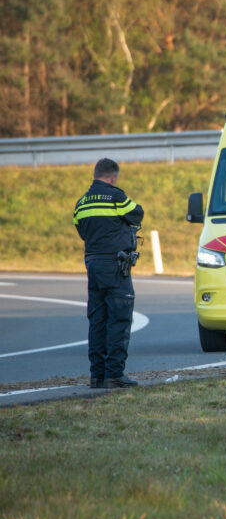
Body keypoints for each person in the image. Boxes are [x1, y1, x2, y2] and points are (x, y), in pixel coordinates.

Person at [73, 158, 144, 389]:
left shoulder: (81, 203)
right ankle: (114, 375)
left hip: (92, 265)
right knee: (119, 318)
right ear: (113, 177)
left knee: (97, 320)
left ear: (95, 175)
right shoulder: (116, 197)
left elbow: (81, 229)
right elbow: (137, 213)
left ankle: (97, 375)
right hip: (115, 265)